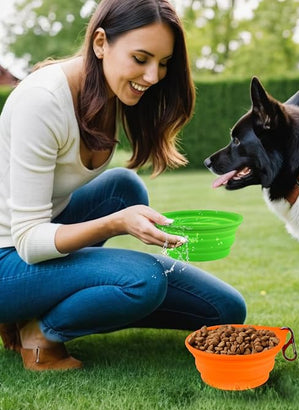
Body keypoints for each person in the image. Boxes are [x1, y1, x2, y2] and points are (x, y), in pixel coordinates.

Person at [0, 0, 246, 371]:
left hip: (36, 244)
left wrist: (129, 216)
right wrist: (116, 223)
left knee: (225, 309)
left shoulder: (110, 92)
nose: (153, 76)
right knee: (143, 281)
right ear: (101, 43)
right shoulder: (43, 101)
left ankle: (32, 309)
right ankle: (40, 334)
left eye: (163, 63)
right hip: (9, 260)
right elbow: (30, 242)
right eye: (141, 58)